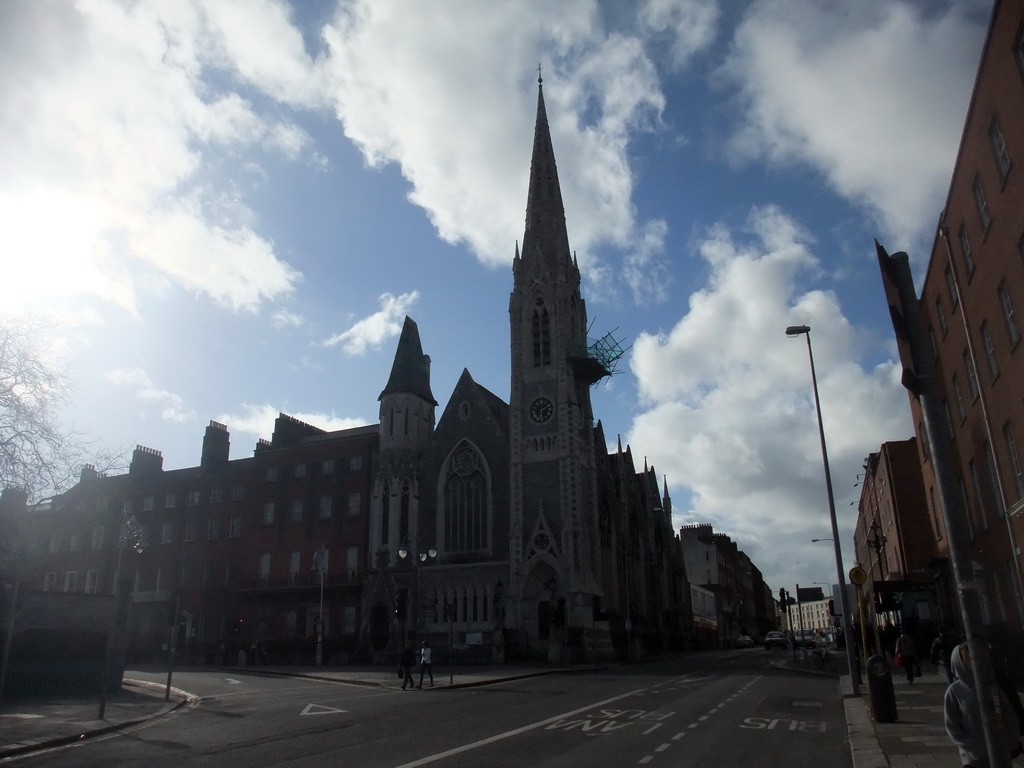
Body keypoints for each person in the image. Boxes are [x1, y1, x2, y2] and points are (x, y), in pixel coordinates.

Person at [944, 642, 1022, 767]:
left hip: (1000, 753)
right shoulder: (955, 691)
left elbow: (1008, 713)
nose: (975, 663)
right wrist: (972, 747)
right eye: (970, 659)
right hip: (973, 759)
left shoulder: (992, 686)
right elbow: (952, 726)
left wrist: (1011, 739)